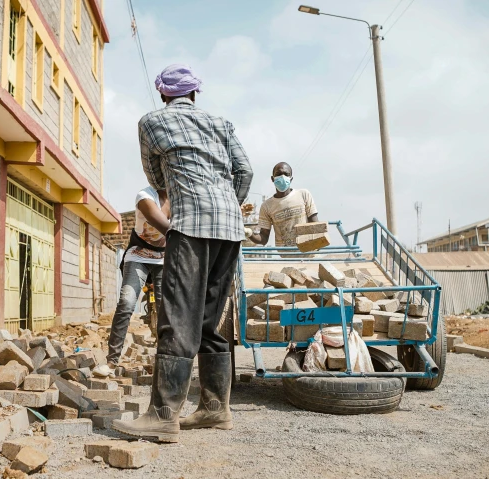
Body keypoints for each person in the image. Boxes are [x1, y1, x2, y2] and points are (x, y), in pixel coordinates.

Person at [112, 64, 253, 443]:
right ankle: (214, 408)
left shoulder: (151, 122)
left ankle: (162, 415)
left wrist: (184, 195)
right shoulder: (221, 123)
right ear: (195, 94)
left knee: (177, 317)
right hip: (229, 229)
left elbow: (156, 177)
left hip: (190, 226)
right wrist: (225, 205)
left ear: (162, 94)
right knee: (210, 318)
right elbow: (245, 172)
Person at [92, 187, 170, 378]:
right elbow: (162, 223)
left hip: (164, 259)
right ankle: (111, 362)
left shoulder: (182, 195)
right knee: (127, 302)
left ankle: (165, 364)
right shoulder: (145, 196)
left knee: (165, 309)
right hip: (138, 255)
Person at [246, 162, 319, 248]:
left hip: (308, 253)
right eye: (279, 174)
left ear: (291, 179)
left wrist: (316, 245)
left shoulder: (303, 195)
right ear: (272, 179)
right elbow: (263, 239)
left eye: (286, 174)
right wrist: (249, 233)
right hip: (286, 257)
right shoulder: (266, 206)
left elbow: (315, 225)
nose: (282, 177)